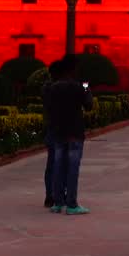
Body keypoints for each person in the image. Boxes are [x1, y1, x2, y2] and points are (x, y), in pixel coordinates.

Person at [46, 54, 94, 215]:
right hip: (74, 131)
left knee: (58, 167)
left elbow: (49, 109)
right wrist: (87, 87)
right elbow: (89, 105)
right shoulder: (79, 86)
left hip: (59, 132)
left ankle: (58, 203)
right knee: (72, 168)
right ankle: (72, 204)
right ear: (73, 69)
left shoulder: (53, 87)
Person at [42, 59, 64, 208]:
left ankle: (50, 195)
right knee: (62, 164)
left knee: (51, 163)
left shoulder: (46, 88)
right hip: (63, 130)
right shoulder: (60, 88)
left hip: (52, 128)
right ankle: (59, 195)